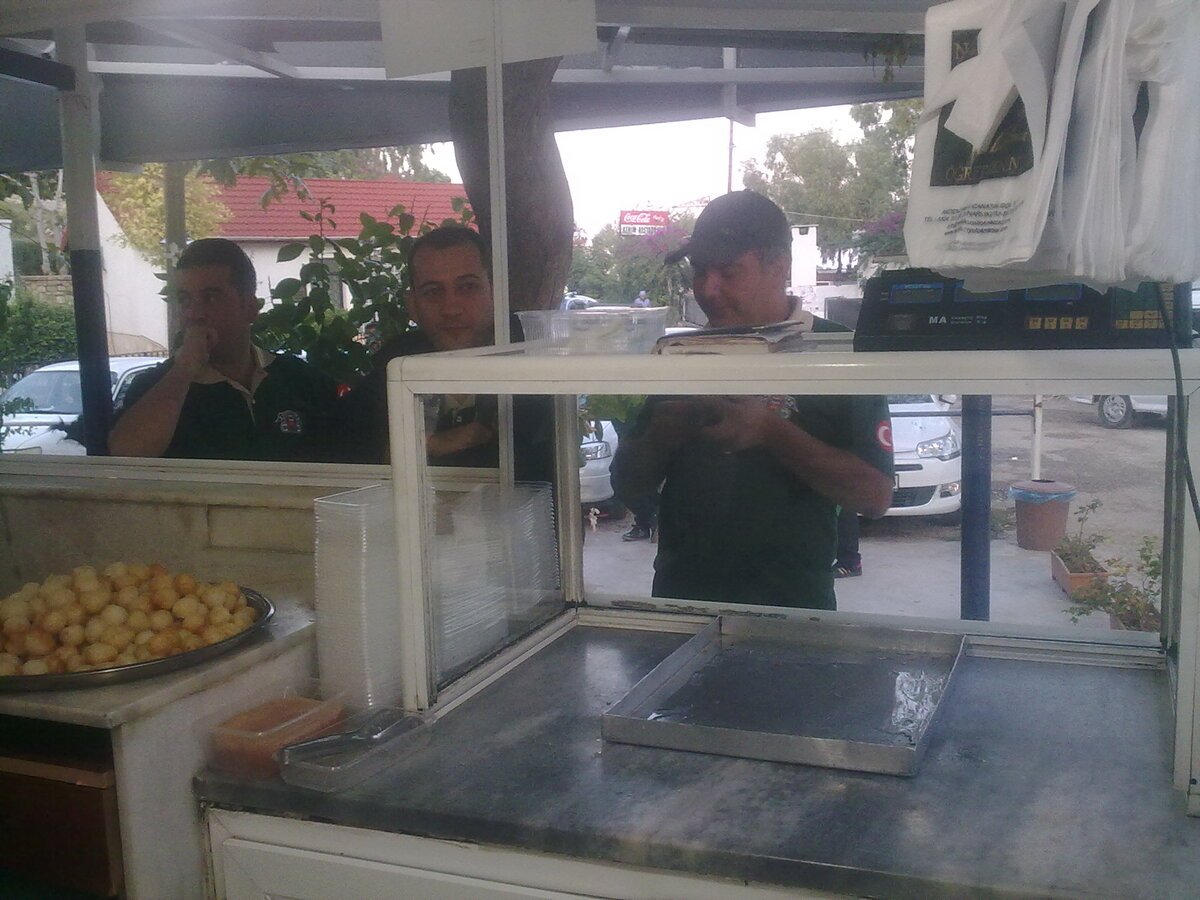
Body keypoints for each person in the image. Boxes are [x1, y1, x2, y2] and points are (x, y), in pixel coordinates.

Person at [610, 190, 894, 610]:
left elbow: (874, 497)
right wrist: (659, 438)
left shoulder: (836, 352)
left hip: (793, 612)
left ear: (779, 267)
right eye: (699, 270)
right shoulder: (684, 353)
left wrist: (769, 431)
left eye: (728, 272)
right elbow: (626, 484)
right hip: (681, 605)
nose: (707, 289)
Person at [342, 226, 554, 480]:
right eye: (433, 291)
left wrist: (415, 447)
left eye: (467, 287)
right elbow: (339, 448)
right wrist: (432, 444)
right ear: (412, 305)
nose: (450, 308)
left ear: (496, 292)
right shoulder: (397, 363)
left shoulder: (535, 358)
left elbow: (535, 462)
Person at [108, 238, 337, 461]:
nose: (194, 314)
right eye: (185, 300)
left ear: (250, 308)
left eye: (210, 298)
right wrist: (184, 369)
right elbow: (126, 454)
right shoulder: (155, 387)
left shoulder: (300, 381)